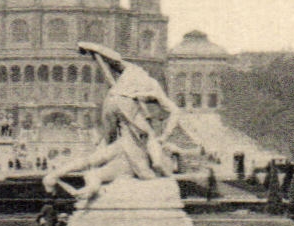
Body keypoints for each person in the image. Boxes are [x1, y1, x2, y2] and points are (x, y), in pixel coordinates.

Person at [42, 43, 186, 205]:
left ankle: (55, 176)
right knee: (150, 137)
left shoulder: (132, 69)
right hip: (126, 103)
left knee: (102, 152)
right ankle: (156, 161)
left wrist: (93, 48)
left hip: (111, 100)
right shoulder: (153, 85)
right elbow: (175, 111)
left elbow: (113, 59)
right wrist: (165, 136)